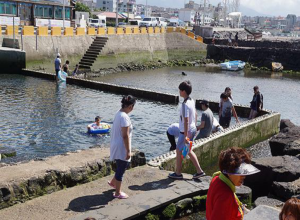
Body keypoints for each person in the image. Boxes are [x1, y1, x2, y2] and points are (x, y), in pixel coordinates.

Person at [206, 147, 260, 220]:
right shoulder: (226, 196)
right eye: (240, 172)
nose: (244, 176)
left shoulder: (217, 178)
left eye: (245, 171)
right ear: (229, 173)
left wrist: (241, 208)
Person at [168, 81, 205, 180]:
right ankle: (199, 171)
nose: (179, 92)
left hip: (186, 131)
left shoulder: (184, 104)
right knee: (188, 150)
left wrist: (185, 136)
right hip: (192, 129)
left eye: (180, 90)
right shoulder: (192, 101)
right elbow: (196, 114)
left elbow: (186, 120)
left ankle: (178, 173)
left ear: (183, 91)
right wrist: (195, 126)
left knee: (179, 150)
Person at [108, 95, 136, 199]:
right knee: (121, 169)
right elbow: (125, 135)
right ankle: (117, 193)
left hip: (116, 144)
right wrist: (128, 151)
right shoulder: (125, 117)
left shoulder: (118, 113)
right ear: (131, 106)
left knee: (120, 166)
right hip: (121, 146)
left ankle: (113, 183)